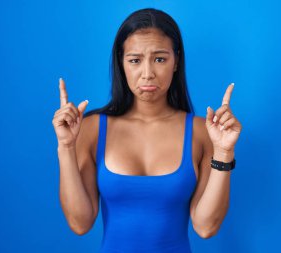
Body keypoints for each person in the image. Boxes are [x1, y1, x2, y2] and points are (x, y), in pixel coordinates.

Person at [52, 8, 242, 253]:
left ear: (176, 61)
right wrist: (66, 146)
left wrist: (224, 152)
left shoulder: (201, 132)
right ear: (121, 63)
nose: (148, 73)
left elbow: (206, 227)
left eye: (160, 59)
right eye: (135, 60)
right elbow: (80, 223)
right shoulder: (91, 130)